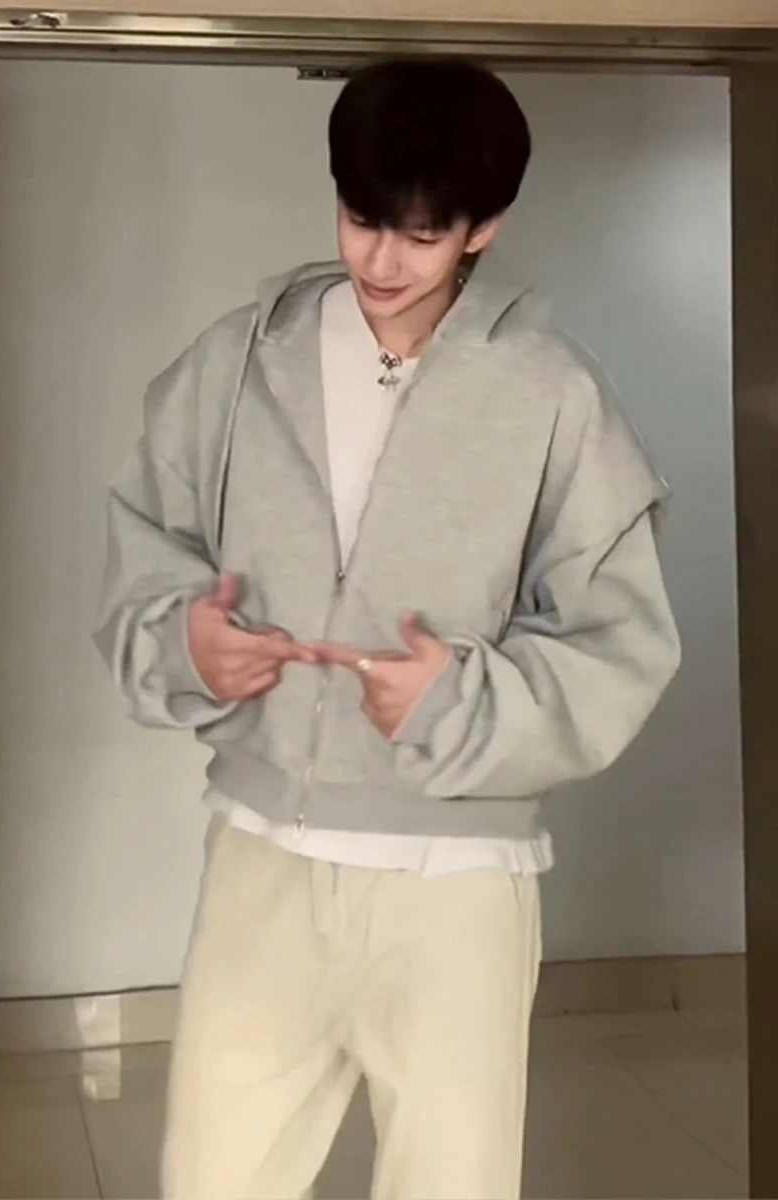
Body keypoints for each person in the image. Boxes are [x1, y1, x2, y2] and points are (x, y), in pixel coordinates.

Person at [95, 56, 680, 1200]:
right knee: (212, 1180)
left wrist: (456, 701)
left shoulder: (551, 395)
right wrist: (185, 646)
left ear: (483, 229)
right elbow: (146, 543)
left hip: (456, 883)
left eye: (420, 235)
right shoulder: (236, 363)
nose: (380, 261)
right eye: (362, 220)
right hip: (262, 854)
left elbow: (619, 641)